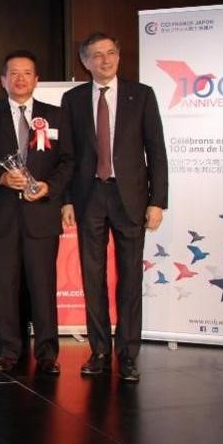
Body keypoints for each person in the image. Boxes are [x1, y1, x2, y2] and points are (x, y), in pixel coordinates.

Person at [61, 32, 168, 382]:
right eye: (96, 55)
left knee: (130, 277)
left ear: (118, 56)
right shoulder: (73, 99)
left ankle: (128, 353)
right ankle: (99, 351)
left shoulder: (142, 95)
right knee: (92, 277)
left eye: (110, 53)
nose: (105, 60)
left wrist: (157, 200)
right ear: (85, 61)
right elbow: (68, 156)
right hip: (89, 196)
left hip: (130, 198)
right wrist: (66, 199)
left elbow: (156, 151)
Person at [0, 51, 71, 376]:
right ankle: (8, 351)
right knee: (3, 288)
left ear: (36, 79)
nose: (20, 79)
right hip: (2, 216)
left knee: (43, 287)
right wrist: (1, 178)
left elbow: (69, 161)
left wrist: (50, 187)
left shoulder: (56, 116)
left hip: (42, 215)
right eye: (14, 73)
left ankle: (47, 353)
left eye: (27, 73)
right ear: (3, 80)